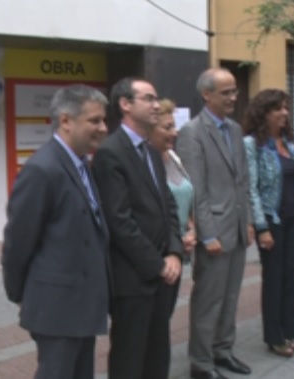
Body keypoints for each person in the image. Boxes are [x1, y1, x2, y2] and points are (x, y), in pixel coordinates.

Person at [1, 85, 110, 379]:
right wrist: (19, 293)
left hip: (82, 302)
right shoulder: (43, 169)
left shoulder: (81, 164)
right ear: (66, 121)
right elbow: (18, 241)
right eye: (95, 120)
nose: (103, 128)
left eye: (103, 120)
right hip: (57, 307)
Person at [91, 78, 184, 379]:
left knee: (158, 354)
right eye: (148, 98)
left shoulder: (151, 150)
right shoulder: (111, 153)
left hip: (162, 275)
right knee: (130, 359)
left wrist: (173, 251)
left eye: (157, 98)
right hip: (133, 279)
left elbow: (167, 205)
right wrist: (156, 264)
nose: (157, 105)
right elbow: (119, 221)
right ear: (126, 104)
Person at [177, 67, 254, 379]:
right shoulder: (192, 133)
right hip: (215, 233)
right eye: (226, 92)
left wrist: (247, 222)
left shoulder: (234, 129)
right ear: (206, 95)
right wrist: (207, 234)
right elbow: (197, 190)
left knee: (231, 297)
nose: (233, 97)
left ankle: (223, 351)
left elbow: (242, 181)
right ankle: (201, 362)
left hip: (236, 228)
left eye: (234, 91)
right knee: (208, 301)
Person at [242, 89, 294, 357]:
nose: (285, 113)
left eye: (286, 108)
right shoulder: (252, 144)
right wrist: (261, 227)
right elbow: (251, 188)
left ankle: (289, 331)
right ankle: (274, 337)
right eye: (278, 109)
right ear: (264, 113)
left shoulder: (293, 142)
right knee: (274, 280)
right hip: (272, 222)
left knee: (293, 277)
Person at [149, 98, 197, 260]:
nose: (175, 132)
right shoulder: (145, 162)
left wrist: (191, 230)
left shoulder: (173, 157)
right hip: (159, 252)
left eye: (174, 126)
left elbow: (185, 201)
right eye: (168, 127)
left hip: (181, 246)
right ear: (150, 129)